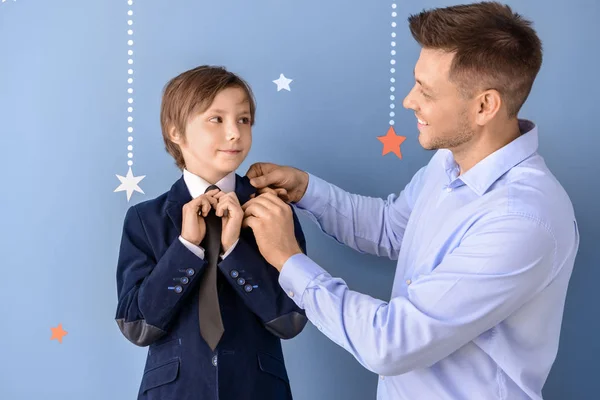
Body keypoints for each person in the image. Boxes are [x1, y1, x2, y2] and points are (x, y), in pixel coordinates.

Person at [241, 2, 580, 399]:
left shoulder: (522, 219)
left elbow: (391, 344)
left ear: (485, 105)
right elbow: (391, 227)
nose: (408, 101)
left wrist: (287, 258)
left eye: (426, 91)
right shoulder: (449, 164)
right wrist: (307, 191)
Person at [114, 65, 308, 400]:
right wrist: (186, 248)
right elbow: (137, 325)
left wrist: (234, 250)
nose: (234, 133)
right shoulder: (144, 220)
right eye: (216, 119)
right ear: (175, 131)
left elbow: (290, 318)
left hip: (258, 390)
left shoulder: (274, 211)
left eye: (243, 120)